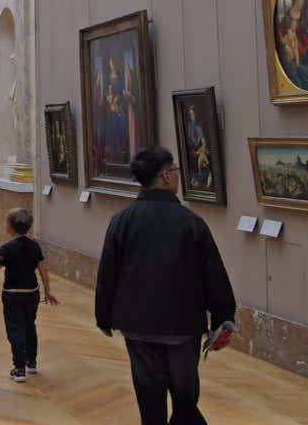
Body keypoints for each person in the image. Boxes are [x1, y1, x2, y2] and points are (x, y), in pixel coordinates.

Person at [95, 147, 236, 425]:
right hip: (182, 325)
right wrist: (223, 319)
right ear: (166, 176)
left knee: (148, 394)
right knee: (185, 394)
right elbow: (213, 275)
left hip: (137, 324)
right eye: (175, 170)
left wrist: (104, 316)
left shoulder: (121, 220)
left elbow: (108, 272)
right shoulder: (191, 222)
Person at [0, 207, 58, 383]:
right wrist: (47, 291)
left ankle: (19, 368)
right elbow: (43, 270)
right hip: (32, 293)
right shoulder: (34, 246)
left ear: (9, 226)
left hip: (12, 295)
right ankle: (31, 362)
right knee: (30, 326)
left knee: (15, 329)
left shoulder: (6, 249)